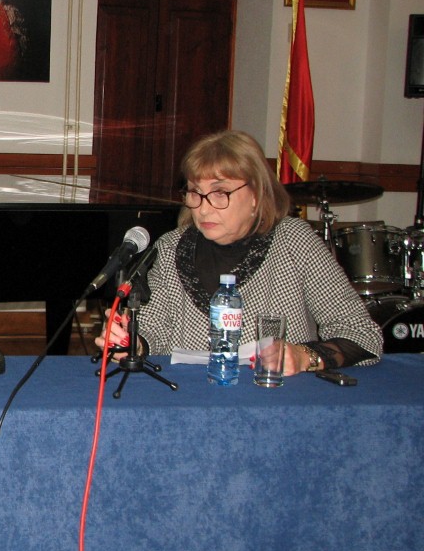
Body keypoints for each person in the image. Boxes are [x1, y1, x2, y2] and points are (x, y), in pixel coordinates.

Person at [96, 130, 383, 375]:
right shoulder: (171, 247)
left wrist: (305, 356)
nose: (203, 208)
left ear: (256, 195)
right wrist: (132, 341)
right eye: (195, 192)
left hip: (277, 400)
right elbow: (153, 330)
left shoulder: (294, 240)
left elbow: (361, 334)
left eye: (220, 193)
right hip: (188, 399)